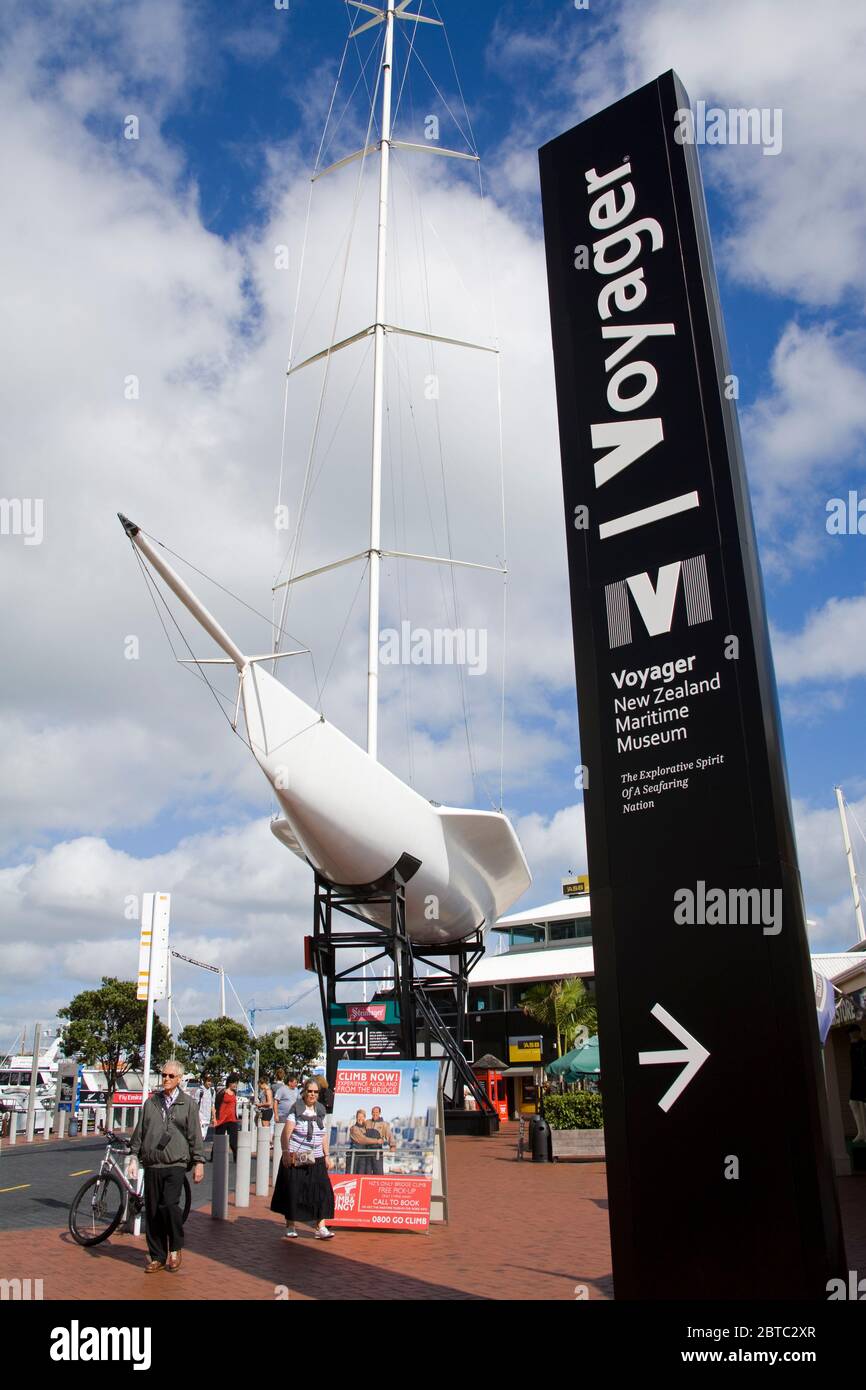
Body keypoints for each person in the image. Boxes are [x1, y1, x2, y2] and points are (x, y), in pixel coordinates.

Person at [128, 1059, 205, 1274]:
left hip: (176, 1163)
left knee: (169, 1205)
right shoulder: (151, 1103)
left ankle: (176, 1247)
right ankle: (157, 1256)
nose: (166, 1079)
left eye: (171, 1076)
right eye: (163, 1075)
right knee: (152, 1211)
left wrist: (199, 1161)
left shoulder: (188, 1104)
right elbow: (140, 1133)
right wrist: (133, 1156)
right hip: (153, 1163)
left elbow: (195, 1135)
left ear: (179, 1079)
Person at [270, 1079, 335, 1239]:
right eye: (310, 1091)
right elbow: (286, 1133)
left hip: (317, 1158)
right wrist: (285, 1153)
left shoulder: (320, 1110)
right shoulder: (296, 1110)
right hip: (297, 1158)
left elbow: (323, 1135)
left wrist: (327, 1156)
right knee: (294, 1191)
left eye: (315, 1092)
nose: (312, 1094)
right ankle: (290, 1225)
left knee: (322, 1191)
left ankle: (321, 1227)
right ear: (304, 1092)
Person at [349, 1108, 384, 1175]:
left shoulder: (365, 1128)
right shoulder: (354, 1128)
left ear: (365, 1118)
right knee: (352, 1175)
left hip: (363, 1155)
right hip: (354, 1155)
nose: (360, 1118)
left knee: (362, 1174)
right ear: (356, 1118)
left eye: (362, 1117)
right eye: (358, 1116)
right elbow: (363, 1140)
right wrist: (377, 1141)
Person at [214, 1073, 240, 1161]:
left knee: (234, 1140)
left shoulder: (234, 1093)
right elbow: (216, 1106)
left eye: (236, 1083)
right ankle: (213, 1156)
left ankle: (236, 1157)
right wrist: (214, 1119)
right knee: (219, 1139)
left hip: (232, 1119)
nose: (235, 1085)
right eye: (234, 1083)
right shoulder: (222, 1092)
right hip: (222, 1119)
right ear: (229, 1083)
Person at [197, 1074, 216, 1142]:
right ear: (204, 1081)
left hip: (207, 1119)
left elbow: (212, 1105)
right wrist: (197, 1118)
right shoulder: (200, 1091)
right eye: (208, 1081)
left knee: (203, 1138)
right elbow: (196, 1105)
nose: (209, 1083)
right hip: (200, 1119)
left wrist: (214, 1118)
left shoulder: (212, 1091)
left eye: (211, 1081)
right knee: (200, 1138)